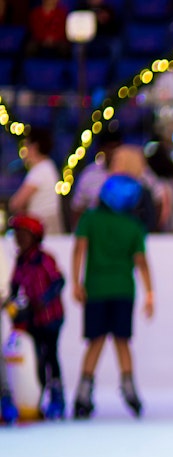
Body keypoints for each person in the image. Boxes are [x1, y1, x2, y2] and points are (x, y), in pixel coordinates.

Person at [70, 175, 154, 420]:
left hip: (95, 288)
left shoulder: (90, 219)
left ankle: (84, 393)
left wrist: (76, 282)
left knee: (95, 341)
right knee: (122, 341)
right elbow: (142, 262)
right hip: (123, 290)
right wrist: (150, 292)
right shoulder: (132, 226)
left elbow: (79, 249)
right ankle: (130, 391)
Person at [5, 216, 66, 419]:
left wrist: (44, 299)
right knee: (37, 359)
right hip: (32, 320)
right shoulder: (20, 261)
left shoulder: (43, 258)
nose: (19, 240)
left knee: (50, 356)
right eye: (17, 235)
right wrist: (10, 302)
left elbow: (58, 281)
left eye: (23, 235)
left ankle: (57, 398)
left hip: (50, 318)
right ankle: (36, 398)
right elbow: (14, 286)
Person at [8, 127, 64, 235]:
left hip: (41, 226)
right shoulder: (49, 166)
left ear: (34, 147)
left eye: (26, 145)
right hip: (50, 223)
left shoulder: (40, 170)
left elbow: (16, 203)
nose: (24, 150)